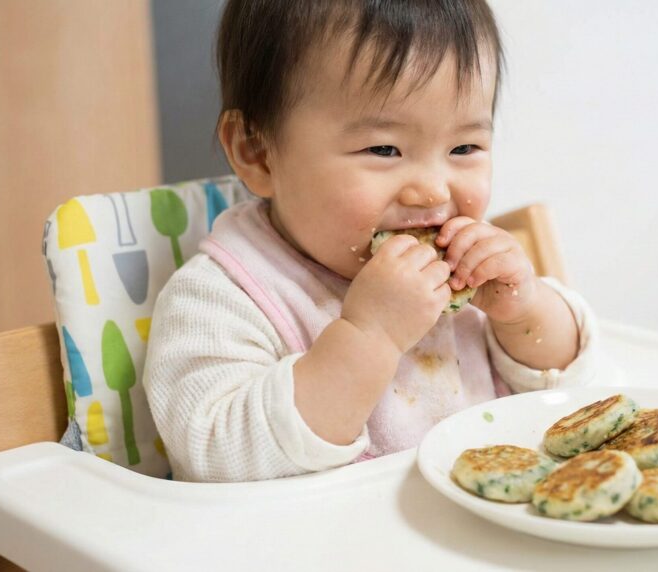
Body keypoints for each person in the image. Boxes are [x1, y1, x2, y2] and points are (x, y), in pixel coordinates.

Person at [143, 0, 599, 482]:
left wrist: (525, 312)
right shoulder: (222, 299)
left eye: (464, 147)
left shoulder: (469, 277)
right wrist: (371, 336)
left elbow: (568, 389)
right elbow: (219, 456)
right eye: (384, 149)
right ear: (257, 152)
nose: (433, 191)